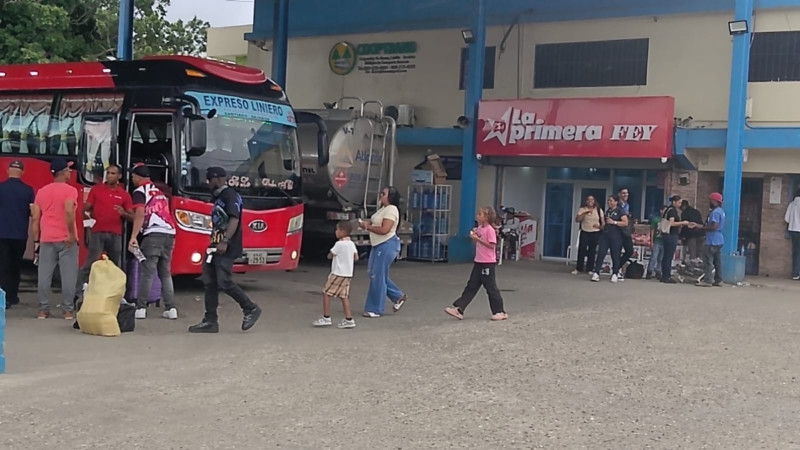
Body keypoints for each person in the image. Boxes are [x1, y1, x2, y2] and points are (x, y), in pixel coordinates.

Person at [189, 167, 262, 333]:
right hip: (214, 245)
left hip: (226, 246)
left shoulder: (230, 195)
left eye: (209, 180)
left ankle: (250, 308)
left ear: (216, 179)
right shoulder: (218, 197)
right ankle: (210, 321)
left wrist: (225, 241)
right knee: (209, 282)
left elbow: (234, 219)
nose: (207, 183)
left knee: (225, 282)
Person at [129, 163, 178, 320]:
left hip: (153, 235)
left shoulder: (139, 192)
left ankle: (141, 308)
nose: (132, 179)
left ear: (138, 177)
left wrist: (133, 236)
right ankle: (171, 309)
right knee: (165, 272)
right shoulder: (159, 192)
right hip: (169, 233)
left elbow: (140, 214)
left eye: (133, 176)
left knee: (147, 272)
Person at [32, 158, 79, 320]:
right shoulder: (70, 190)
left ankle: (43, 310)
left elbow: (35, 218)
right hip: (66, 239)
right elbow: (68, 211)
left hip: (47, 238)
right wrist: (72, 233)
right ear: (64, 172)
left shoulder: (42, 191)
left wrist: (36, 240)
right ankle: (67, 310)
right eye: (69, 170)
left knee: (44, 275)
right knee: (68, 275)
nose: (70, 172)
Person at [75, 164, 133, 296]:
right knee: (90, 263)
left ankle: (115, 294)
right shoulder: (96, 190)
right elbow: (86, 208)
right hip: (98, 232)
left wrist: (123, 212)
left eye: (113, 173)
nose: (110, 176)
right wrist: (86, 215)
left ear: (119, 176)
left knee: (114, 266)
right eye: (108, 173)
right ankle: (77, 293)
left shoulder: (124, 194)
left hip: (115, 234)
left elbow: (132, 217)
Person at [445, 206, 508, 321]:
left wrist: (477, 239)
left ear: (487, 217)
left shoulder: (490, 230)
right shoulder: (480, 228)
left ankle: (499, 311)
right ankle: (460, 308)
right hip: (478, 261)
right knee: (471, 285)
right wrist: (474, 236)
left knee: (490, 287)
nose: (478, 216)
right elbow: (477, 240)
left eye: (480, 214)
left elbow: (491, 245)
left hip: (487, 262)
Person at [359, 186, 407, 318]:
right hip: (378, 244)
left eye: (383, 194)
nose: (381, 195)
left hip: (386, 244)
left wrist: (368, 227)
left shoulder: (392, 209)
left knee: (377, 275)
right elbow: (376, 222)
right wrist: (366, 223)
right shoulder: (383, 209)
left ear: (390, 196)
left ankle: (375, 308)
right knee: (374, 273)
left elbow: (385, 229)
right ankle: (397, 296)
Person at [0, 160, 34, 308]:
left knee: (3, 265)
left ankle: (3, 297)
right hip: (19, 234)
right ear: (22, 172)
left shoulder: (1, 188)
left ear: (8, 171)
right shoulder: (28, 190)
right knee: (15, 265)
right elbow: (32, 212)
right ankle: (13, 296)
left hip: (1, 233)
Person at [313, 221, 358, 329]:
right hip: (348, 274)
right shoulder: (351, 244)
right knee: (344, 296)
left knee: (326, 293)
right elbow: (356, 257)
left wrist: (332, 255)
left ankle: (326, 317)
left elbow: (330, 255)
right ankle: (349, 319)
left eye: (337, 230)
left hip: (338, 273)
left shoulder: (339, 244)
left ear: (342, 231)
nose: (335, 232)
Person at [591, 195, 629, 283]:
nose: (609, 202)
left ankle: (615, 273)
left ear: (616, 202)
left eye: (611, 201)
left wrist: (614, 222)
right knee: (601, 253)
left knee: (615, 255)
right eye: (608, 201)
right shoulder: (608, 211)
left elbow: (625, 223)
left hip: (616, 236)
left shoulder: (620, 211)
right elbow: (605, 223)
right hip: (606, 235)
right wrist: (600, 226)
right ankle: (596, 272)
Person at [696, 193, 725, 287]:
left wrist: (702, 228)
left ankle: (708, 280)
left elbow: (714, 226)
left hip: (712, 239)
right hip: (719, 240)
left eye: (711, 200)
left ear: (715, 201)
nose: (709, 202)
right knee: (718, 261)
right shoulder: (721, 211)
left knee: (708, 261)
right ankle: (719, 280)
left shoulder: (715, 212)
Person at [661, 195, 691, 284]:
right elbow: (672, 223)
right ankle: (667, 276)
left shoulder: (667, 209)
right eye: (679, 202)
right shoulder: (672, 211)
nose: (680, 204)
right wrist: (683, 222)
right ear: (673, 202)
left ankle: (664, 275)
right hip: (671, 235)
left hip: (666, 235)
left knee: (666, 256)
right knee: (668, 256)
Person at [573, 195, 603, 275]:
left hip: (595, 232)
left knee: (592, 251)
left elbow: (603, 222)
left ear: (594, 201)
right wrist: (585, 213)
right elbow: (577, 219)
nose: (590, 201)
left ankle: (590, 268)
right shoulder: (582, 209)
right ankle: (579, 268)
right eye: (588, 199)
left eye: (592, 199)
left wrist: (600, 227)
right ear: (586, 201)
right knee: (581, 250)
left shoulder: (598, 210)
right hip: (585, 231)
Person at [617, 188, 635, 281]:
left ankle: (617, 267)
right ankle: (617, 271)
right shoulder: (617, 205)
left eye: (627, 193)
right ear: (619, 194)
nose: (626, 195)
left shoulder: (627, 205)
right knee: (616, 251)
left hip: (626, 231)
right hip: (618, 231)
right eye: (623, 193)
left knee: (629, 251)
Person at [646, 205, 667, 280]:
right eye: (664, 210)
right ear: (661, 211)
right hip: (656, 241)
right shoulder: (656, 219)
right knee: (654, 257)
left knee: (661, 258)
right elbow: (652, 230)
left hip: (664, 242)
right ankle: (649, 271)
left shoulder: (667, 220)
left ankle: (659, 271)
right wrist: (651, 241)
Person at [785, 188, 800, 280]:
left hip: (793, 230)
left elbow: (786, 219)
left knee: (796, 252)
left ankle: (795, 273)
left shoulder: (791, 204)